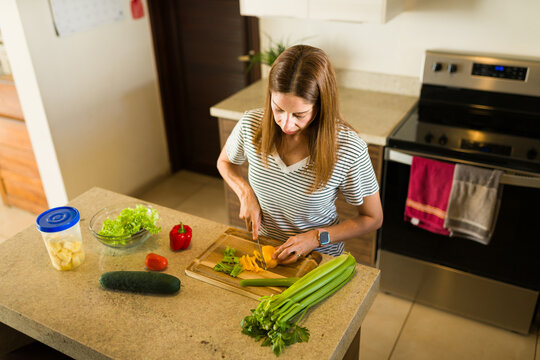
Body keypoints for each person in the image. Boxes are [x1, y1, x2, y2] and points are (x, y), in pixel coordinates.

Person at [217, 44, 383, 264]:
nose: (286, 123)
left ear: (321, 106)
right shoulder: (251, 125)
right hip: (264, 252)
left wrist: (315, 238)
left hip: (318, 260)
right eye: (278, 109)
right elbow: (225, 162)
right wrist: (245, 193)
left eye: (299, 114)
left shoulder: (348, 148)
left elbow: (372, 218)